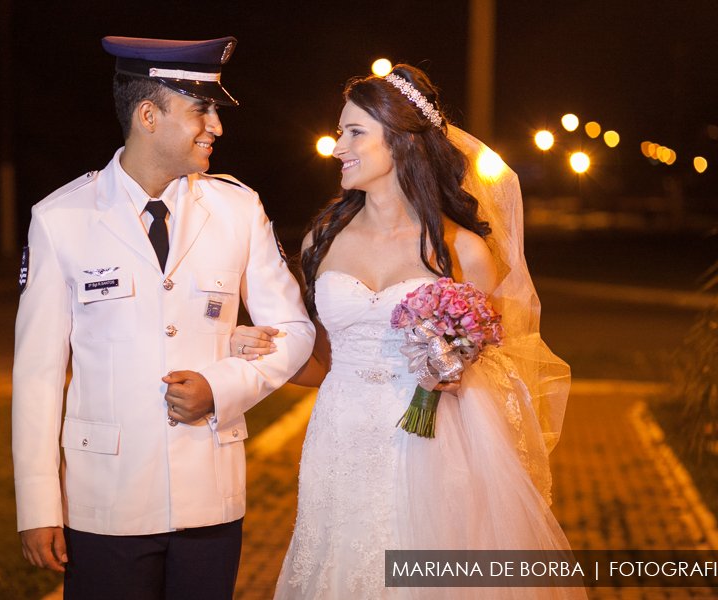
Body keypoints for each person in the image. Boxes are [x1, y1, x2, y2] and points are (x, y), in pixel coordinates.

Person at [230, 65, 586, 599]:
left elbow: (500, 370)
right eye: (340, 131)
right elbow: (323, 360)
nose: (337, 147)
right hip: (339, 440)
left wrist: (451, 371)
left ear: (398, 142)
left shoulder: (461, 250)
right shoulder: (321, 240)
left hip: (432, 446)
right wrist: (257, 350)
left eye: (355, 133)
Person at [11, 35, 315, 600]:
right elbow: (38, 375)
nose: (216, 127)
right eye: (201, 109)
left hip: (209, 495)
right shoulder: (61, 218)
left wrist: (221, 387)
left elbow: (294, 331)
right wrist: (37, 503)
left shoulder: (237, 209)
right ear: (148, 115)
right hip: (106, 500)